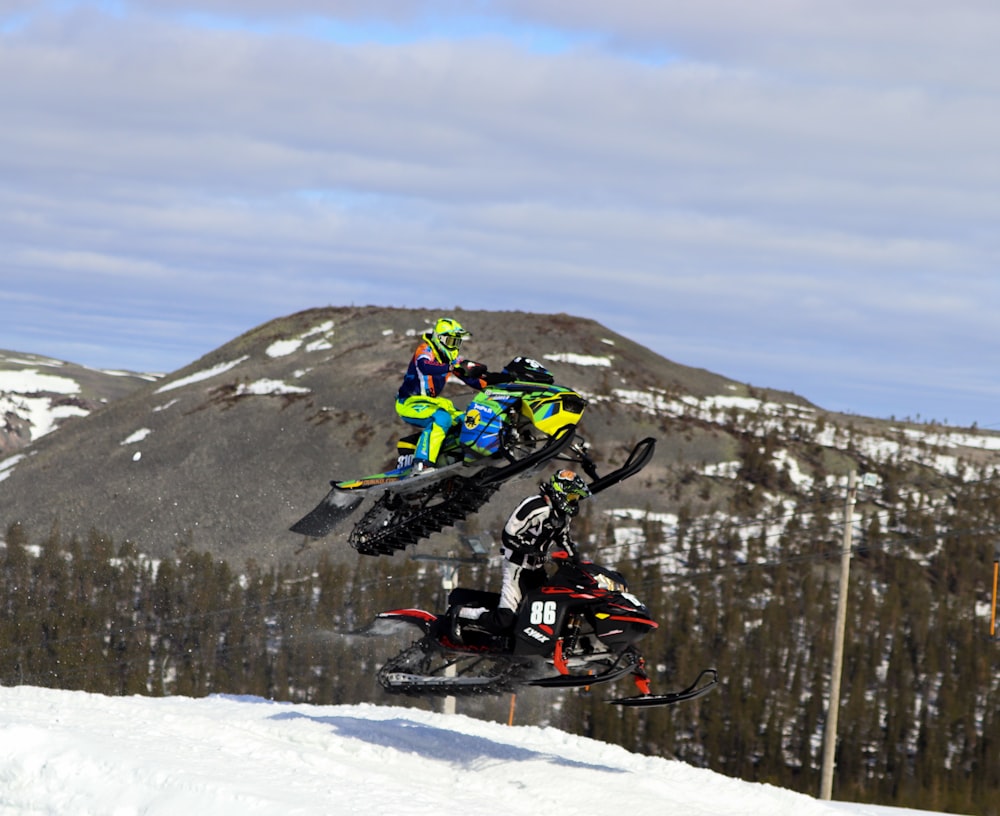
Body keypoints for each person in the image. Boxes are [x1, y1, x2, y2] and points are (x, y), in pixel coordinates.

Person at [450, 469, 592, 642]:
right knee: (505, 619)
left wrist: (577, 561)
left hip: (537, 570)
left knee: (543, 614)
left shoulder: (563, 516)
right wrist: (529, 550)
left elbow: (564, 538)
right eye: (572, 497)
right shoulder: (535, 506)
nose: (574, 502)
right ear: (560, 491)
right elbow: (509, 535)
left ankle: (532, 649)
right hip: (517, 567)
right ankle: (462, 614)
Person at [395, 317, 489, 474]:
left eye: (457, 342)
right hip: (409, 402)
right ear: (439, 339)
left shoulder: (451, 360)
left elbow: (471, 379)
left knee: (468, 419)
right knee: (442, 418)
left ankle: (457, 457)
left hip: (431, 403)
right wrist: (451, 367)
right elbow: (425, 366)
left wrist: (495, 383)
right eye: (451, 341)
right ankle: (422, 464)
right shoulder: (425, 350)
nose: (454, 346)